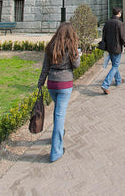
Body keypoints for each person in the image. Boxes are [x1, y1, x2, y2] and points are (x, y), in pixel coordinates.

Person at [38, 22, 81, 162]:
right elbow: (76, 66)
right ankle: (56, 151)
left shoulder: (51, 46)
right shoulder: (71, 46)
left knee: (58, 111)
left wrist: (40, 83)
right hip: (65, 83)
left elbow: (45, 67)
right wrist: (78, 55)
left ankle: (59, 133)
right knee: (59, 115)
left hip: (52, 83)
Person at [101, 7, 125, 94]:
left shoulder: (107, 22)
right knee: (115, 66)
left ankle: (118, 80)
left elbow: (103, 34)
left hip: (109, 47)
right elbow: (122, 36)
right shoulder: (119, 23)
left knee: (114, 64)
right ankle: (105, 84)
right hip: (117, 47)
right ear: (119, 13)